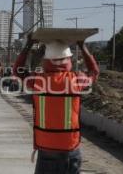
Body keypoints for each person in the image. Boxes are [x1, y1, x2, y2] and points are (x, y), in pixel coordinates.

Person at [13, 36, 99, 174]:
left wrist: (28, 45)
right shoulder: (76, 80)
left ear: (46, 61)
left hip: (46, 147)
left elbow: (17, 71)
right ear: (68, 60)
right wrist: (83, 46)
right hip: (70, 147)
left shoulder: (38, 80)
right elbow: (94, 72)